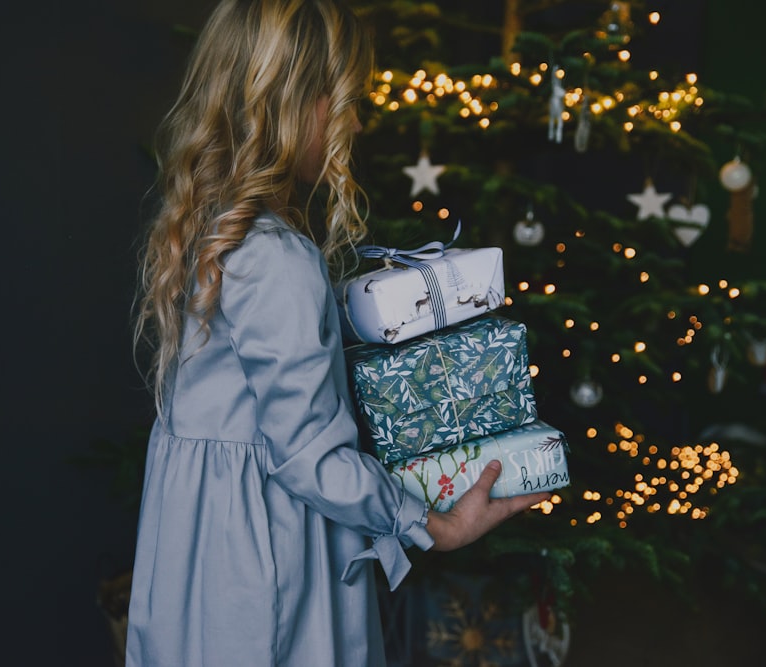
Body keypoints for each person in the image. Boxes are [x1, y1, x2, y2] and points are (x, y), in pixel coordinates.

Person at [126, 1, 551, 665]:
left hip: (202, 553)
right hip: (264, 554)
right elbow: (309, 457)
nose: (356, 121)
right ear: (292, 103)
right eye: (346, 101)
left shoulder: (207, 234)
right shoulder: (276, 257)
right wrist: (432, 525)